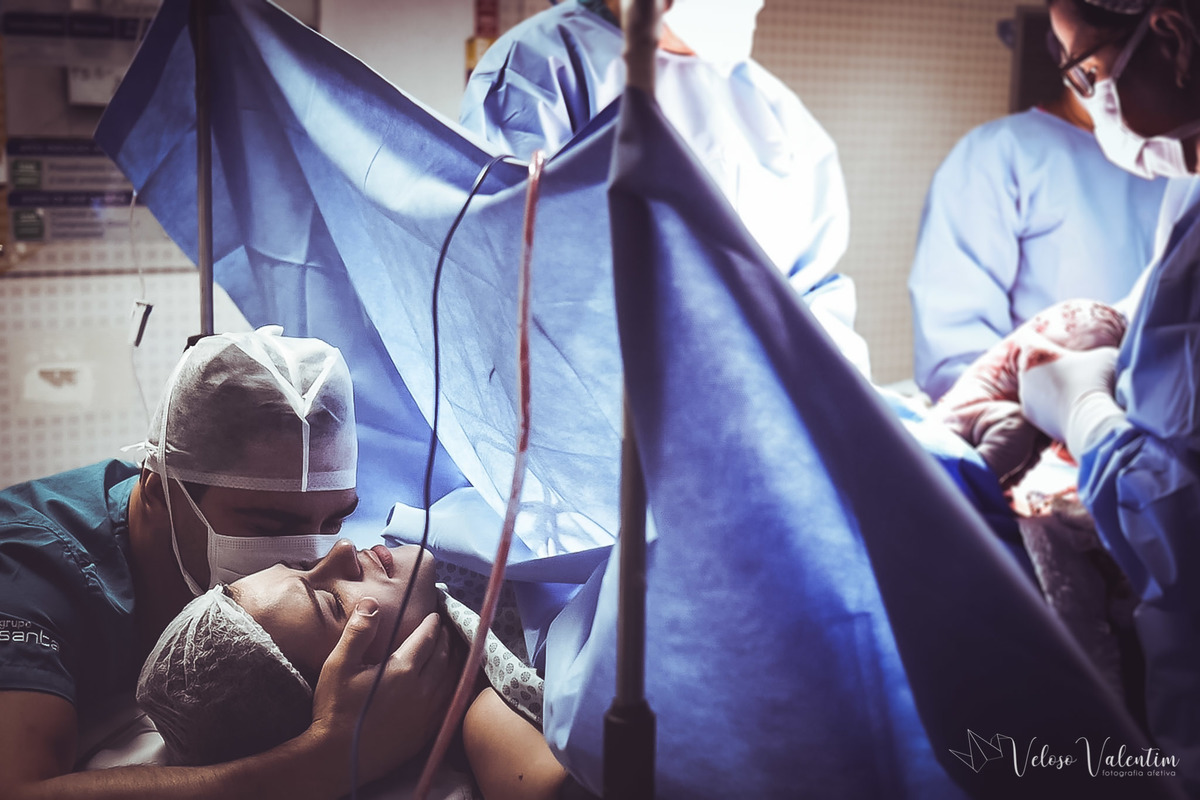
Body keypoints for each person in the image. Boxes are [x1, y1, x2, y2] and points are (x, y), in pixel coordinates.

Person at [0, 326, 454, 799]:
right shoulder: (29, 567)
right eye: (271, 525)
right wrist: (332, 756)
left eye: (334, 523)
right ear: (157, 492)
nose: (323, 553)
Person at [460, 0, 872, 378]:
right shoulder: (539, 69)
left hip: (752, 423)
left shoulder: (777, 112)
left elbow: (813, 300)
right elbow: (519, 278)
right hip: (599, 423)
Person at [1018, 0, 1200, 792]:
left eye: (1087, 70)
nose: (1090, 99)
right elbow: (1166, 315)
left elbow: (1182, 526)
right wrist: (1113, 332)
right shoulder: (1189, 187)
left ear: (1170, 36)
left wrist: (1083, 413)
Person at [136, 539, 569, 800]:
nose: (341, 550)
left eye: (305, 567)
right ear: (369, 698)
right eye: (333, 603)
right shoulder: (492, 725)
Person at [909, 79, 1167, 402]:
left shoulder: (1177, 164)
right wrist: (1053, 418)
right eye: (1090, 70)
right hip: (1038, 426)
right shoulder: (1000, 154)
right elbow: (954, 352)